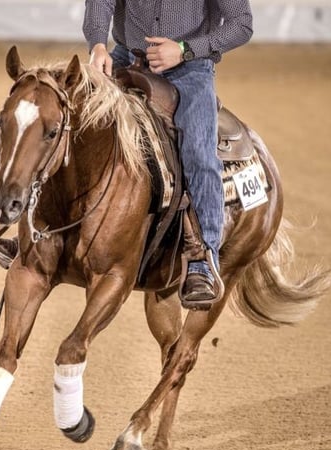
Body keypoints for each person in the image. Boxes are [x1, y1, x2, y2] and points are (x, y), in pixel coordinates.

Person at [84, 0, 253, 302]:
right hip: (126, 59)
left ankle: (203, 257)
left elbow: (242, 23)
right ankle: (46, 228)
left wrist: (185, 49)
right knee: (78, 123)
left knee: (200, 155)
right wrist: (98, 44)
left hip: (190, 70)